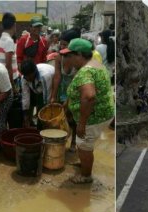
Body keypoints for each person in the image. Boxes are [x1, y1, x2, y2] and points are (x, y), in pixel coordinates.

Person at [63, 38, 114, 184]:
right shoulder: (96, 63)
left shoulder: (85, 72)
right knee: (85, 144)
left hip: (94, 117)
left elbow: (89, 96)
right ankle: (84, 163)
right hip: (105, 112)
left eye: (69, 56)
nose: (68, 59)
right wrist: (68, 103)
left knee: (84, 144)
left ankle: (85, 176)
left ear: (79, 54)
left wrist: (82, 124)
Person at [49, 29, 81, 151]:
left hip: (75, 91)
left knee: (75, 118)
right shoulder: (59, 57)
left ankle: (73, 141)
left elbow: (77, 82)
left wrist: (69, 100)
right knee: (62, 117)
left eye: (65, 44)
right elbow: (57, 77)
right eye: (61, 44)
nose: (62, 46)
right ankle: (62, 139)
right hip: (63, 90)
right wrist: (53, 96)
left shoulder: (78, 60)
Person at [20, 59, 54, 128]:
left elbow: (46, 98)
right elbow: (25, 96)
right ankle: (33, 123)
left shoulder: (44, 76)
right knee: (32, 105)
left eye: (29, 76)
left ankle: (42, 127)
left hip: (52, 83)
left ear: (34, 72)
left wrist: (44, 116)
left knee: (42, 106)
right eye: (26, 76)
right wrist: (26, 115)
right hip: (38, 88)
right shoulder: (24, 78)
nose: (28, 78)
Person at [0, 12, 20, 93]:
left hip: (4, 77)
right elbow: (8, 65)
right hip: (11, 79)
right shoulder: (9, 41)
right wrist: (13, 87)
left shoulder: (2, 38)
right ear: (14, 25)